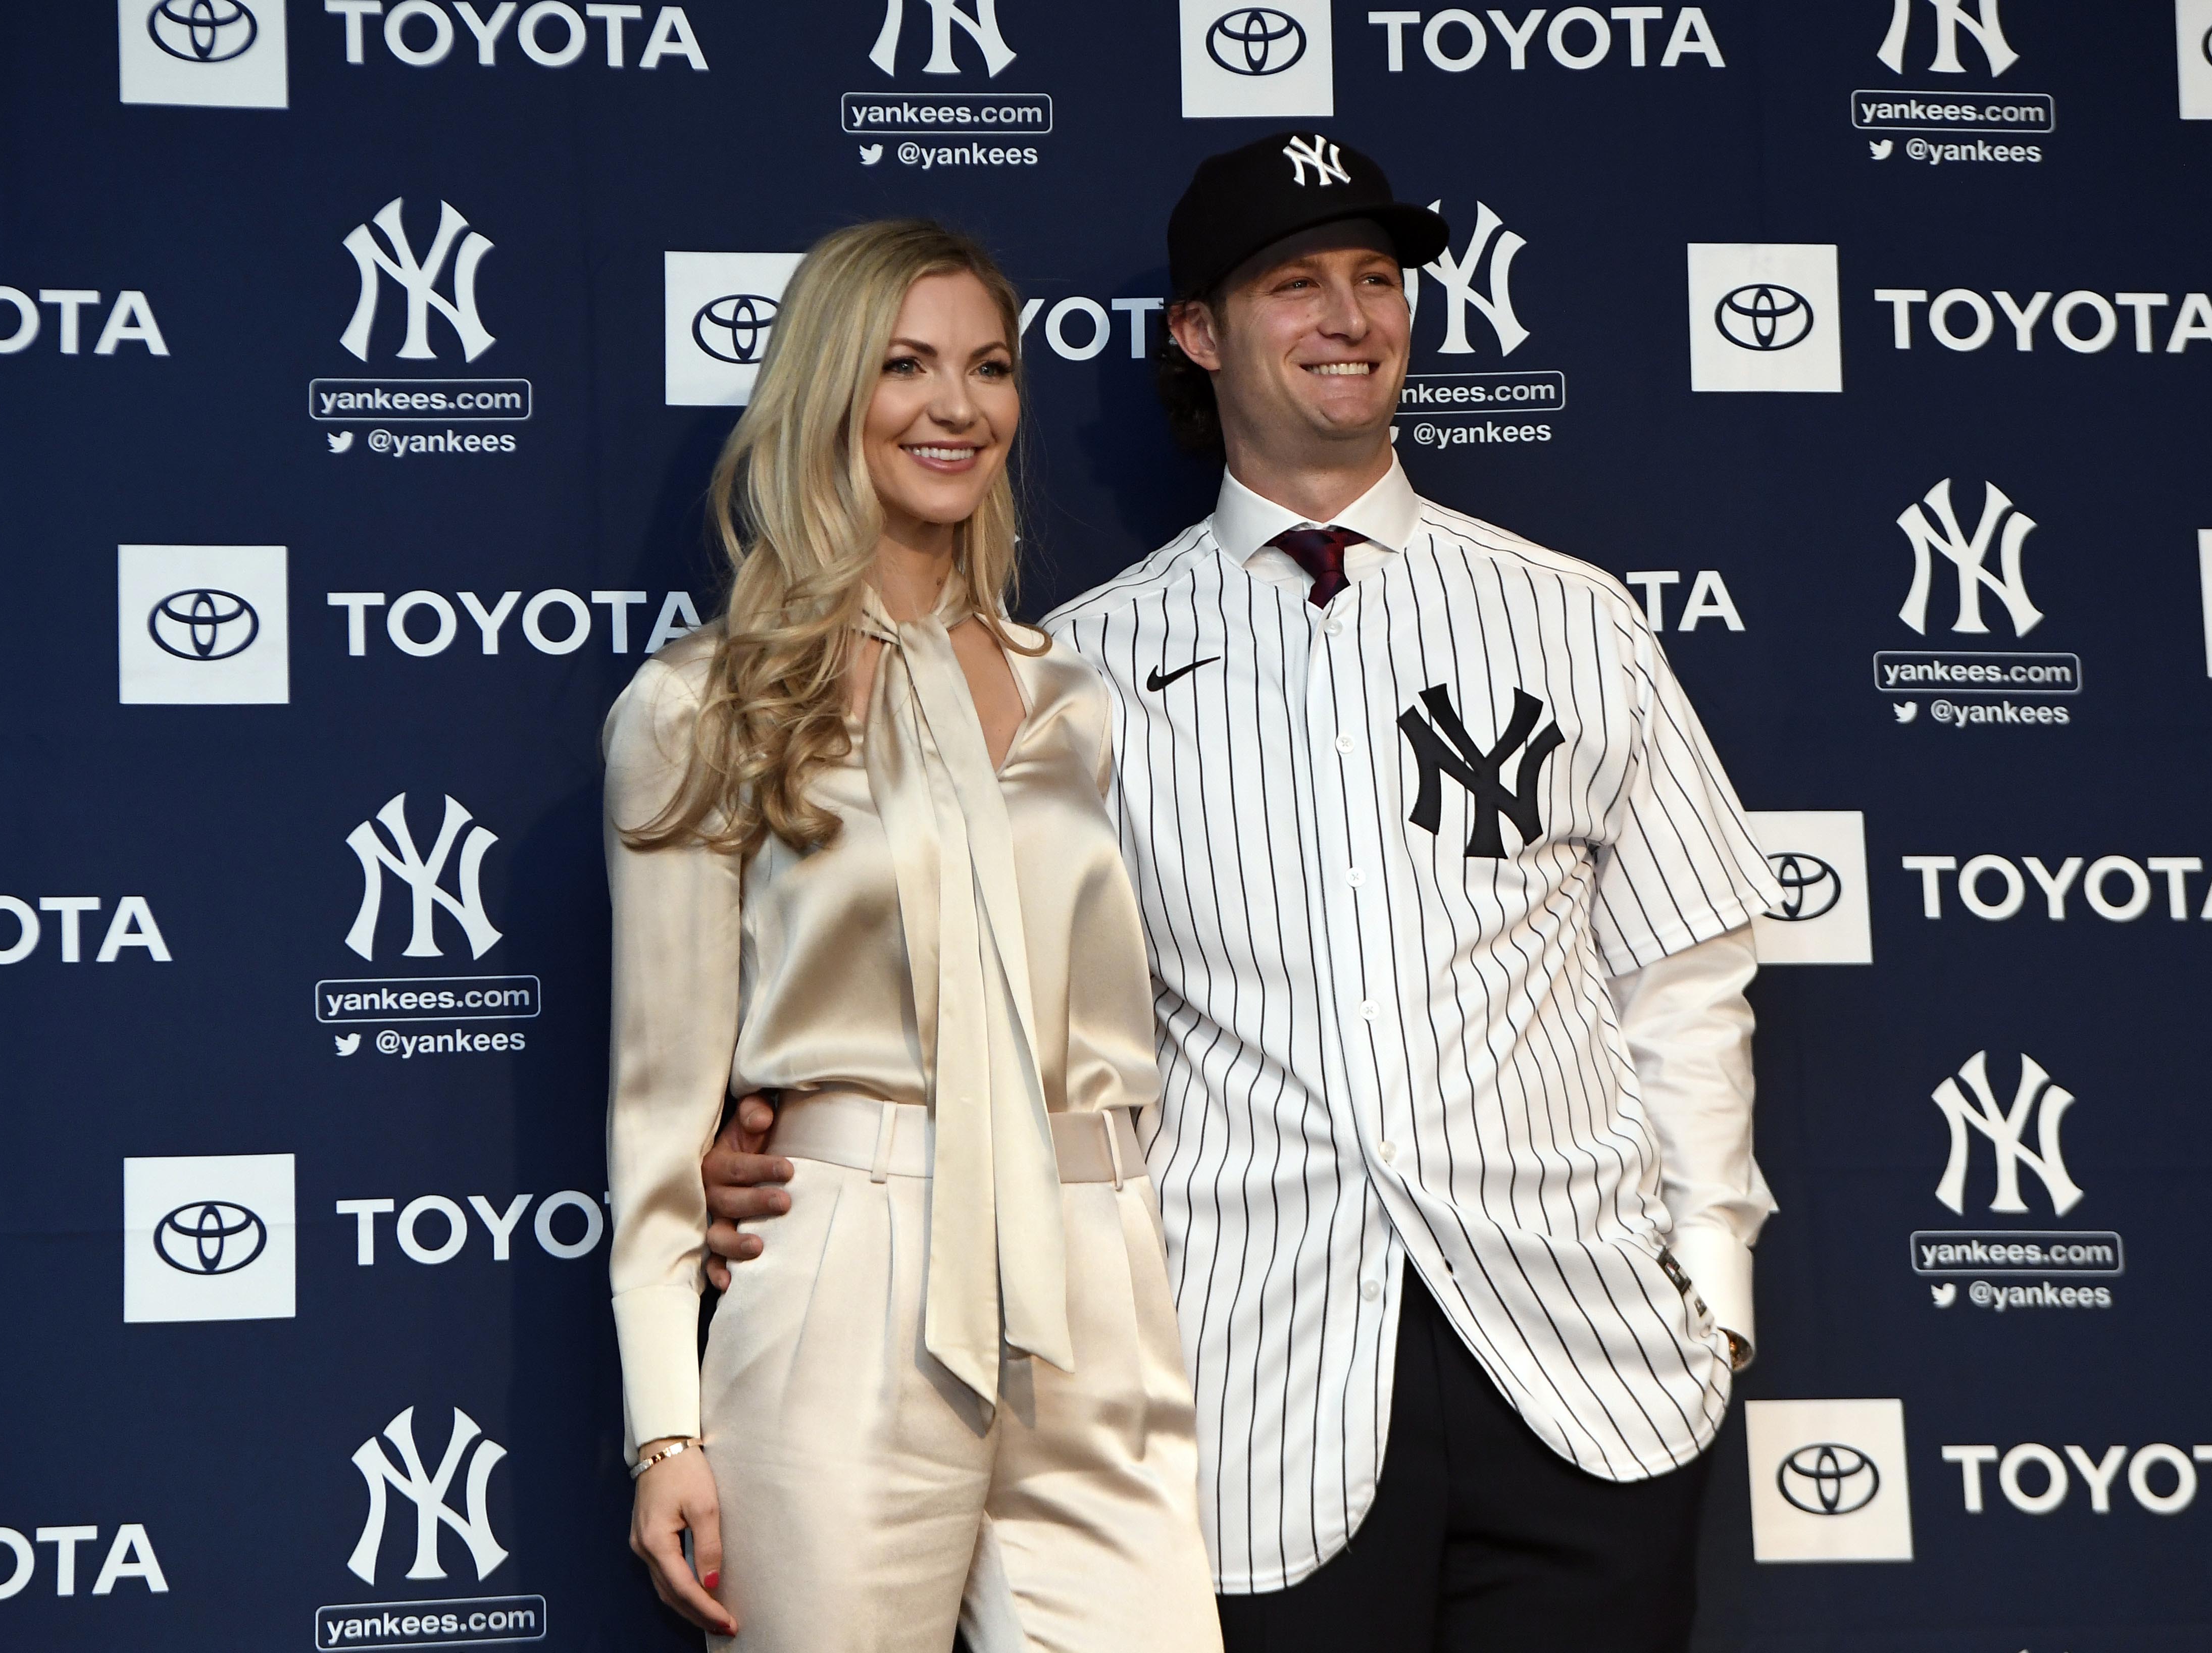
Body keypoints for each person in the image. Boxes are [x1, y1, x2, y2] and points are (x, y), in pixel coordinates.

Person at [706, 136, 1781, 1653]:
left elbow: (1684, 977)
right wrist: (780, 1150)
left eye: (1376, 279)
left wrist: (1711, 1291)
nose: (1350, 315)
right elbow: (984, 1017)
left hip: (1586, 1366)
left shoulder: (1572, 614)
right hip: (1259, 1386)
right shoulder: (1078, 672)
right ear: (1198, 335)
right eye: (1296, 283)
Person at [603, 218, 1223, 1653]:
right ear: (829, 389)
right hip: (844, 1278)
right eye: (906, 365)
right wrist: (663, 1431)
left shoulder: (1078, 697)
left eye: (990, 368)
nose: (959, 407)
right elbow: (657, 1114)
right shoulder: (705, 708)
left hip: (1097, 1277)